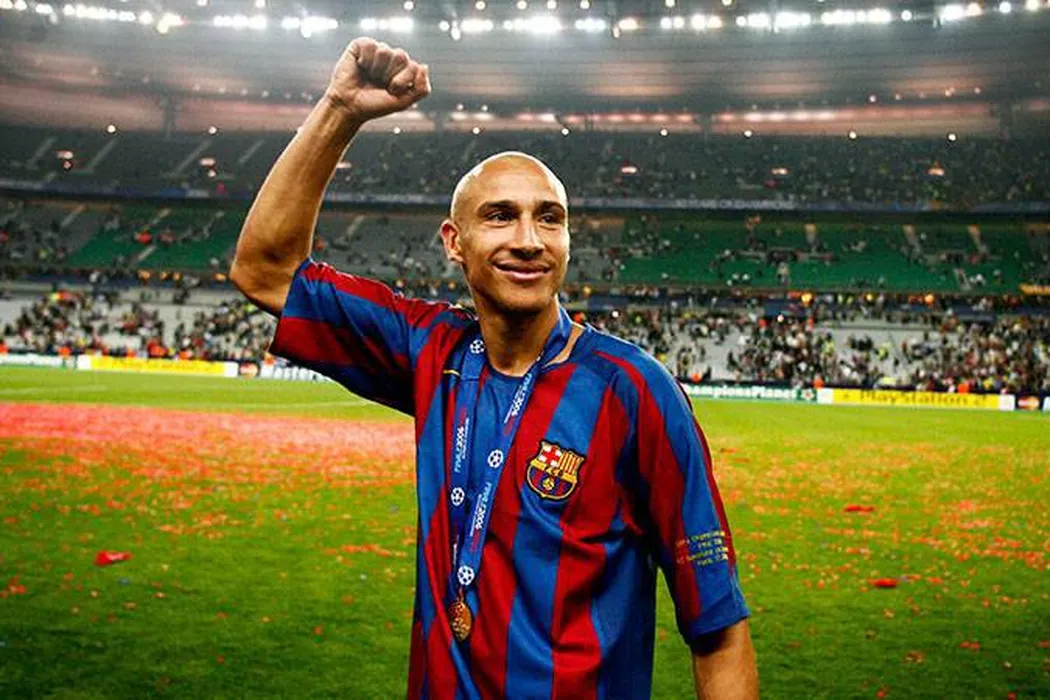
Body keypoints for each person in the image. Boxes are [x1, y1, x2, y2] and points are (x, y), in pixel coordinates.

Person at [230, 37, 757, 700]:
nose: (528, 240)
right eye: (500, 216)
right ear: (455, 242)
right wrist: (341, 109)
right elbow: (265, 269)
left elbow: (719, 629)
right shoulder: (432, 353)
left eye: (549, 219)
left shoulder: (635, 391)